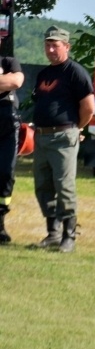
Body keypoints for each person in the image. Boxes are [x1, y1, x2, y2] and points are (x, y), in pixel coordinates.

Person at [31, 26, 95, 253]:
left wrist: (76, 128)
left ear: (67, 46)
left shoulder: (75, 72)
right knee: (43, 186)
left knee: (64, 186)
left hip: (63, 136)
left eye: (55, 45)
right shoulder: (44, 74)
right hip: (41, 137)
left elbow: (89, 107)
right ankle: (53, 234)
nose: (50, 49)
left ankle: (69, 236)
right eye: (47, 44)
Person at [0, 35, 25, 244]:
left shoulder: (9, 61)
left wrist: (8, 82)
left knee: (6, 173)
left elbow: (16, 81)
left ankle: (0, 224)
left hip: (7, 125)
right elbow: (8, 82)